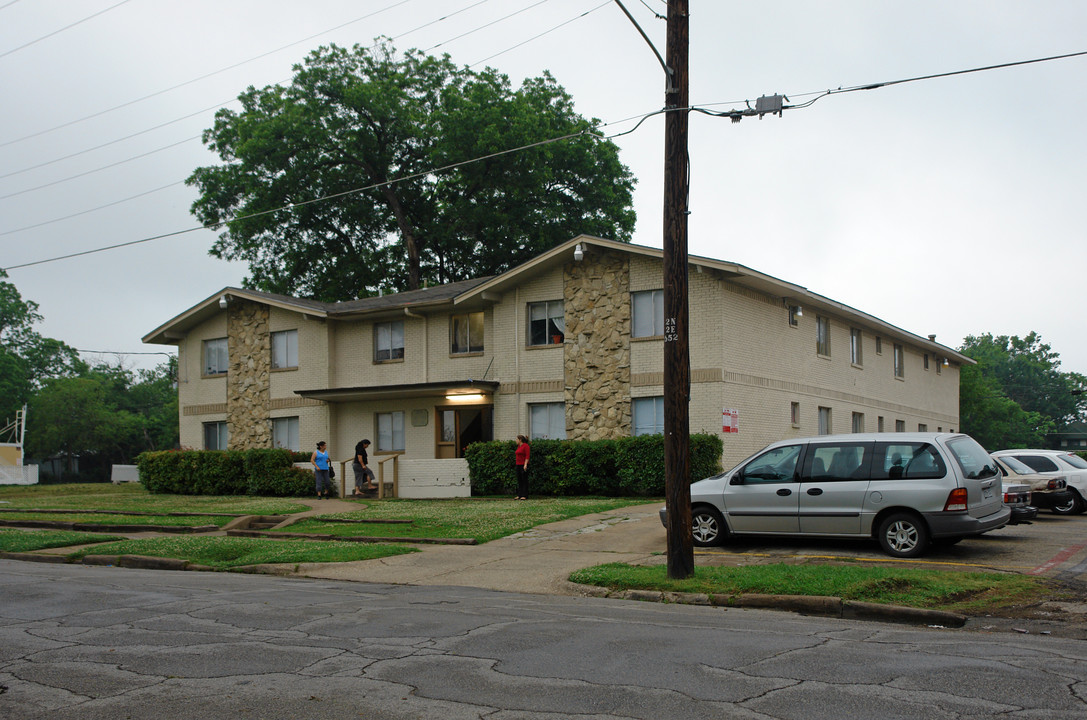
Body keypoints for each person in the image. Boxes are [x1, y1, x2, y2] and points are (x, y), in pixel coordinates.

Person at [514, 434, 531, 500]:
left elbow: (527, 456)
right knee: (519, 480)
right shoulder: (519, 446)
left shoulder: (526, 446)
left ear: (520, 440)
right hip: (518, 464)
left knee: (524, 480)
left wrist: (525, 464)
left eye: (517, 439)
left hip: (523, 465)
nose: (516, 440)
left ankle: (524, 495)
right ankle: (519, 494)